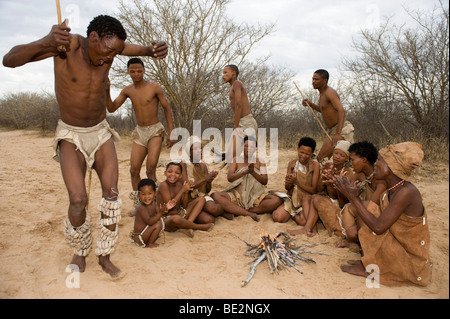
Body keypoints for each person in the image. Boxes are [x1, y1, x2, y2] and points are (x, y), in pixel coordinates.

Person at [2, 15, 168, 278]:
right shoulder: (66, 46)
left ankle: (104, 255)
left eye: (115, 53)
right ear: (93, 38)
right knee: (78, 200)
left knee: (111, 198)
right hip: (71, 133)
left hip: (100, 132)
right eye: (108, 50)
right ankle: (80, 252)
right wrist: (46, 40)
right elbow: (9, 60)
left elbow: (135, 49)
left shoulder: (112, 50)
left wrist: (152, 50)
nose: (110, 58)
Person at [334, 142, 432, 287]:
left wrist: (353, 198)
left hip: (410, 260)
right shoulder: (393, 189)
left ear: (391, 167)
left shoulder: (406, 192)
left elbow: (378, 227)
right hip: (397, 244)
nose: (376, 164)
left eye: (380, 160)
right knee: (369, 208)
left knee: (368, 209)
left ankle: (374, 267)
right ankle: (369, 260)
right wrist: (352, 195)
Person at [106, 57, 175, 210]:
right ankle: (139, 204)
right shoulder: (128, 90)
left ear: (144, 71)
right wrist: (106, 89)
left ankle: (155, 204)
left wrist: (171, 132)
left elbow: (167, 108)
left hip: (155, 130)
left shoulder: (154, 87)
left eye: (139, 71)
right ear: (128, 72)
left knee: (150, 169)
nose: (136, 74)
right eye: (132, 71)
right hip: (139, 131)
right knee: (133, 170)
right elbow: (111, 108)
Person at [287, 140, 353, 237]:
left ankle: (307, 228)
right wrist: (323, 176)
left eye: (342, 155)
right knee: (307, 198)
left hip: (339, 204)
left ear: (347, 159)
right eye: (335, 153)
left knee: (315, 198)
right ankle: (312, 229)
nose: (337, 157)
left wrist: (334, 182)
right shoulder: (330, 167)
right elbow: (318, 189)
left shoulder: (347, 173)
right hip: (327, 198)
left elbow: (344, 201)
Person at [334, 141, 387, 248]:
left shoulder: (380, 180)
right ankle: (353, 239)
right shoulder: (359, 175)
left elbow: (372, 208)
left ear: (364, 160)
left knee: (353, 232)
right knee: (348, 209)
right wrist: (341, 188)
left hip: (376, 219)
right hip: (364, 214)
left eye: (353, 160)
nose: (351, 163)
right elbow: (345, 202)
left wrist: (352, 195)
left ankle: (358, 240)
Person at [302, 69, 354, 162]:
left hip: (341, 129)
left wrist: (338, 134)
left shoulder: (329, 92)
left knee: (322, 159)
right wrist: (311, 104)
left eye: (316, 79)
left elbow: (341, 110)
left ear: (324, 80)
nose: (313, 81)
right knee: (326, 161)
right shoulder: (322, 94)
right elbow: (325, 110)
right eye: (313, 79)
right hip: (333, 130)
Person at [211, 136, 267, 222]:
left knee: (275, 200)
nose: (249, 149)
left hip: (255, 197)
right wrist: (245, 171)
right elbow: (230, 178)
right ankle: (247, 213)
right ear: (242, 147)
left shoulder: (260, 161)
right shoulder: (236, 160)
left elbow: (265, 181)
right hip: (237, 196)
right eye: (246, 146)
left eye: (252, 147)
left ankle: (238, 210)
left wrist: (253, 172)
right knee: (215, 196)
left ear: (255, 149)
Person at [266, 137, 320, 225]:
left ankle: (293, 214)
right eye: (301, 152)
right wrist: (289, 182)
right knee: (277, 217)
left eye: (307, 154)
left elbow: (314, 190)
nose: (303, 156)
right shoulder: (292, 163)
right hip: (292, 198)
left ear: (312, 153)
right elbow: (287, 187)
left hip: (306, 200)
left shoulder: (315, 166)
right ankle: (292, 211)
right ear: (298, 149)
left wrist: (297, 182)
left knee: (303, 222)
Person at [157, 162, 214, 237]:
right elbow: (170, 205)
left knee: (201, 199)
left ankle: (187, 225)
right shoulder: (163, 185)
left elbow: (184, 205)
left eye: (177, 173)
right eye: (170, 171)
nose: (173, 175)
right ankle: (197, 226)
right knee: (175, 219)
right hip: (167, 218)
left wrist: (186, 192)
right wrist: (182, 191)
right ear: (165, 173)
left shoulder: (179, 185)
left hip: (181, 213)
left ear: (180, 176)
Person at [180, 136, 225, 223]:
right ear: (189, 152)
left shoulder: (203, 165)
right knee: (209, 220)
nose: (199, 151)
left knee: (213, 208)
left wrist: (209, 181)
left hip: (202, 196)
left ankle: (223, 211)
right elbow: (187, 187)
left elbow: (207, 190)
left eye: (200, 148)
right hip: (189, 200)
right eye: (195, 149)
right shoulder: (184, 164)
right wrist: (205, 179)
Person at [222, 65, 258, 163]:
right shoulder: (232, 86)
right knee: (232, 157)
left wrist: (236, 125)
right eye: (223, 73)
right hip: (242, 122)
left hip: (246, 122)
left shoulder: (237, 83)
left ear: (233, 73)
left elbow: (238, 104)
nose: (223, 76)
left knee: (245, 156)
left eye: (225, 72)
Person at [130, 179, 174, 248]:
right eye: (143, 194)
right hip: (139, 237)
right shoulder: (141, 208)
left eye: (150, 193)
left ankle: (150, 239)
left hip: (146, 232)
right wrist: (161, 213)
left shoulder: (153, 203)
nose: (147, 197)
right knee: (157, 224)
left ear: (155, 193)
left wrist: (165, 209)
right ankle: (149, 244)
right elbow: (149, 222)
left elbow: (158, 213)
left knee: (160, 221)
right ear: (139, 195)